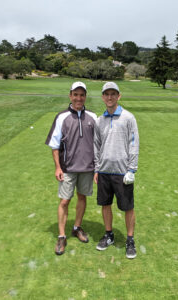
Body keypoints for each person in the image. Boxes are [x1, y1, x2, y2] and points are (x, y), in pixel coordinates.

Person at [45, 81, 97, 255]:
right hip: (67, 167)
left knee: (82, 197)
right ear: (70, 96)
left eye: (82, 95)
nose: (78, 98)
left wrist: (97, 168)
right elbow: (55, 146)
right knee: (65, 201)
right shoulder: (62, 117)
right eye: (75, 94)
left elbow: (98, 143)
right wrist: (57, 167)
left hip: (87, 168)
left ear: (85, 97)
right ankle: (61, 236)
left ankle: (76, 227)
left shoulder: (93, 117)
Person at [94, 82, 139, 259]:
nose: (110, 97)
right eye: (107, 94)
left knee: (128, 207)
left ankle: (130, 239)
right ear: (103, 97)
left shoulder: (129, 118)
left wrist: (132, 169)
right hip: (104, 171)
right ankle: (109, 234)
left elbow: (134, 144)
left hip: (123, 172)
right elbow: (96, 146)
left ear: (119, 96)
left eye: (113, 94)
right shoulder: (99, 120)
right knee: (105, 205)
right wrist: (97, 168)